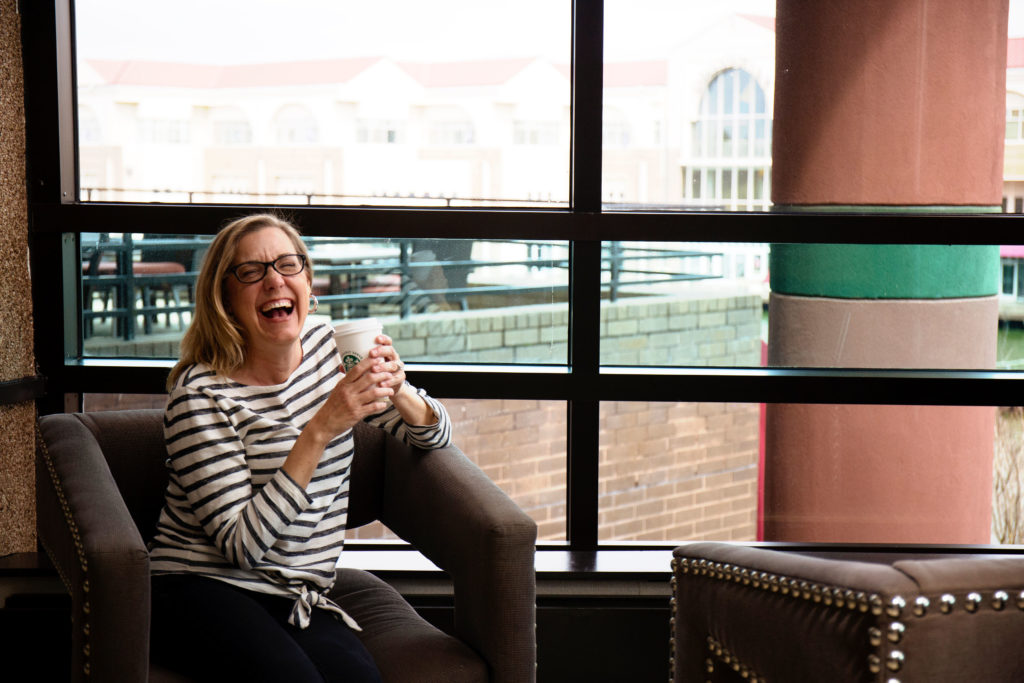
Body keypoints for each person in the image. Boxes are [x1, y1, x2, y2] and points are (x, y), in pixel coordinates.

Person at [148, 213, 452, 682]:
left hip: (296, 594)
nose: (274, 280)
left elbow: (432, 436)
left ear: (308, 282)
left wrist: (401, 388)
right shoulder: (202, 395)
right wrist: (321, 429)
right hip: (199, 585)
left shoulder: (332, 351)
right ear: (225, 297)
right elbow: (241, 547)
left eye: (288, 265)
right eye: (251, 271)